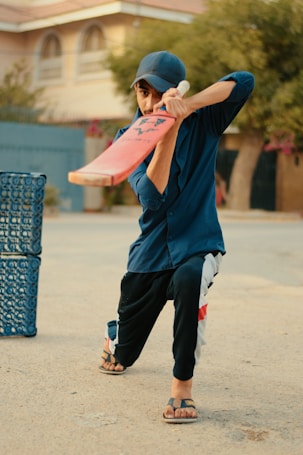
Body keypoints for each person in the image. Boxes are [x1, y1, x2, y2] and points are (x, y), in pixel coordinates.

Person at [99, 50, 254, 423]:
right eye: (143, 92)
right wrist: (164, 131)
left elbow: (243, 80)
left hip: (197, 246)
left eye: (160, 93)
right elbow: (151, 198)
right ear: (136, 92)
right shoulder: (127, 139)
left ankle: (181, 386)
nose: (152, 102)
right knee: (123, 357)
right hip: (148, 257)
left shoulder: (205, 122)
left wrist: (187, 108)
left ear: (175, 92)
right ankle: (115, 338)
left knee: (190, 279)